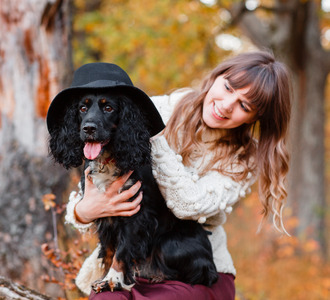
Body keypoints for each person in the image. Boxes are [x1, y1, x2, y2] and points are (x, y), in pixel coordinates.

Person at [64, 51, 292, 299]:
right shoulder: (158, 107)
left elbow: (188, 204)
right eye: (227, 87)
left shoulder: (245, 159)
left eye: (244, 105)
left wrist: (152, 136)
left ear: (256, 117)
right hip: (128, 260)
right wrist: (82, 211)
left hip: (190, 266)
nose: (226, 105)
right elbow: (96, 178)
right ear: (215, 77)